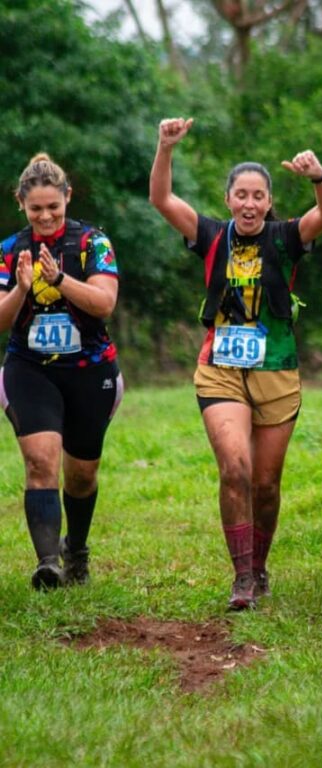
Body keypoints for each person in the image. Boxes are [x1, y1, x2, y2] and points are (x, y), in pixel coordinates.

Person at [149, 117, 322, 610]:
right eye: (242, 195)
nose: (250, 203)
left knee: (266, 484)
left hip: (277, 368)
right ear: (229, 199)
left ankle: (259, 566)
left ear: (269, 201)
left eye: (259, 195)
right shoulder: (211, 235)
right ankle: (241, 580)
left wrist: (319, 178)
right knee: (235, 468)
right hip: (220, 369)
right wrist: (165, 148)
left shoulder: (285, 236)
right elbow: (163, 201)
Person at [0, 154, 123, 590]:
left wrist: (60, 280)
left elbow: (105, 303)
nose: (46, 215)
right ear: (21, 204)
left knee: (82, 474)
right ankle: (48, 563)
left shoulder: (92, 243)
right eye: (36, 209)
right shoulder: (10, 250)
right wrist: (21, 288)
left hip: (89, 369)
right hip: (29, 369)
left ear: (67, 198)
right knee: (40, 462)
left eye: (54, 206)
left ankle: (78, 549)